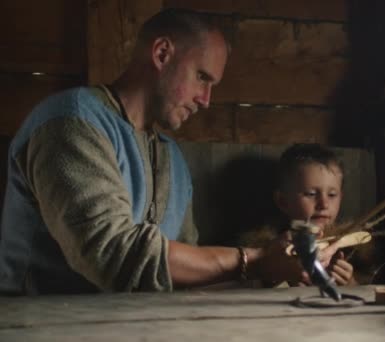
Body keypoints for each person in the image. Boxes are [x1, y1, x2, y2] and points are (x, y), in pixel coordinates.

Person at [0, 8, 333, 295]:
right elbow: (114, 256)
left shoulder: (172, 159)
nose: (206, 100)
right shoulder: (70, 122)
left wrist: (283, 276)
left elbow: (189, 275)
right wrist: (256, 260)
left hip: (133, 327)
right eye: (202, 77)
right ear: (161, 54)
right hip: (40, 325)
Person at [240, 143, 357, 286]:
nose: (324, 204)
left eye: (332, 195)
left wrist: (350, 284)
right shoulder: (267, 252)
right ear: (283, 201)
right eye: (311, 194)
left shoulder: (351, 251)